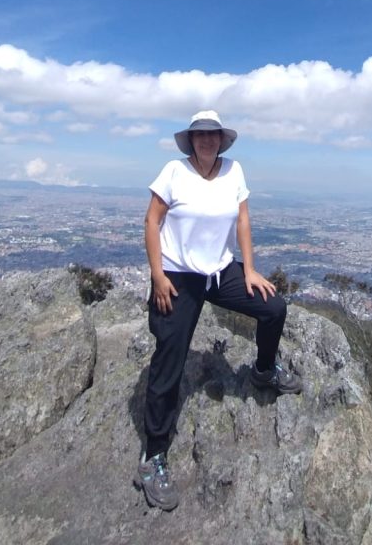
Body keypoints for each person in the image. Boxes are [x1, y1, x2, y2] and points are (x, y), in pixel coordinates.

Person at [135, 110, 302, 511]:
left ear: (222, 140)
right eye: (200, 135)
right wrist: (158, 276)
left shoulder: (233, 171)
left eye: (213, 135)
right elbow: (151, 222)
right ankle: (153, 455)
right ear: (191, 140)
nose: (207, 140)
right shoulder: (174, 172)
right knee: (170, 359)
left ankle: (264, 370)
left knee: (273, 308)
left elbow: (242, 220)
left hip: (220, 271)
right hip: (179, 274)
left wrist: (250, 269)